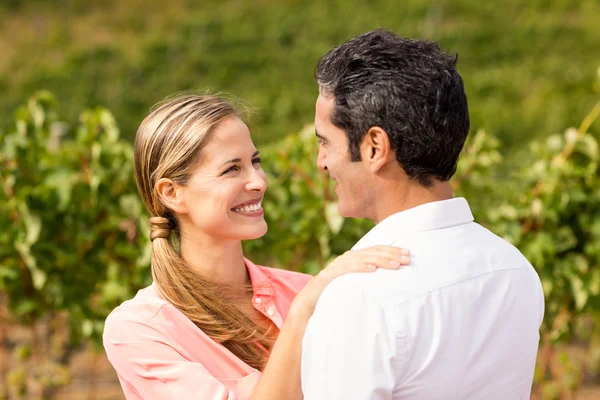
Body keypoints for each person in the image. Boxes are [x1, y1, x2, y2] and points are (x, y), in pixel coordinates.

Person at [102, 93, 411, 400]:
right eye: (232, 169)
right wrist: (302, 312)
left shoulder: (304, 289)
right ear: (172, 193)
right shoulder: (139, 329)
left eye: (255, 162)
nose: (259, 182)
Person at [301, 29, 545, 399]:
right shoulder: (514, 269)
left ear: (374, 148)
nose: (321, 161)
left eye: (325, 142)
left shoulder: (360, 295)